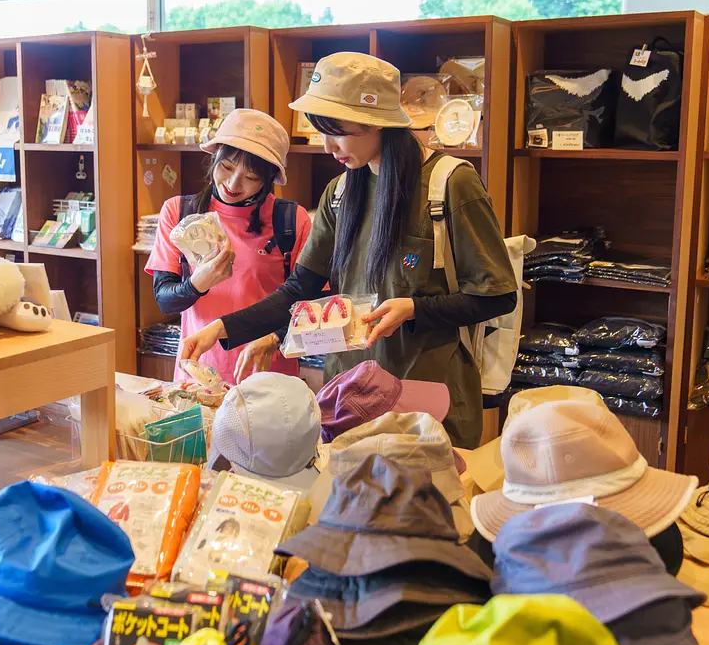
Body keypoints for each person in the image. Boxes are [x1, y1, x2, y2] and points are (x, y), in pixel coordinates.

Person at [180, 53, 517, 448]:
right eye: (322, 131)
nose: (328, 146)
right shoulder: (340, 192)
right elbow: (299, 289)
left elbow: (497, 294)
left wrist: (415, 309)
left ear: (379, 123)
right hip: (347, 398)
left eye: (337, 131)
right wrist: (221, 329)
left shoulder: (450, 184)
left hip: (425, 398)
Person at [146, 109, 311, 386]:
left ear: (268, 179)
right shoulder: (178, 212)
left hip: (269, 380)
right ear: (214, 157)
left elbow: (311, 304)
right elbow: (165, 300)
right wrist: (197, 284)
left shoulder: (292, 220)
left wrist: (275, 337)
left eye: (251, 177)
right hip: (198, 375)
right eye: (227, 167)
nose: (234, 184)